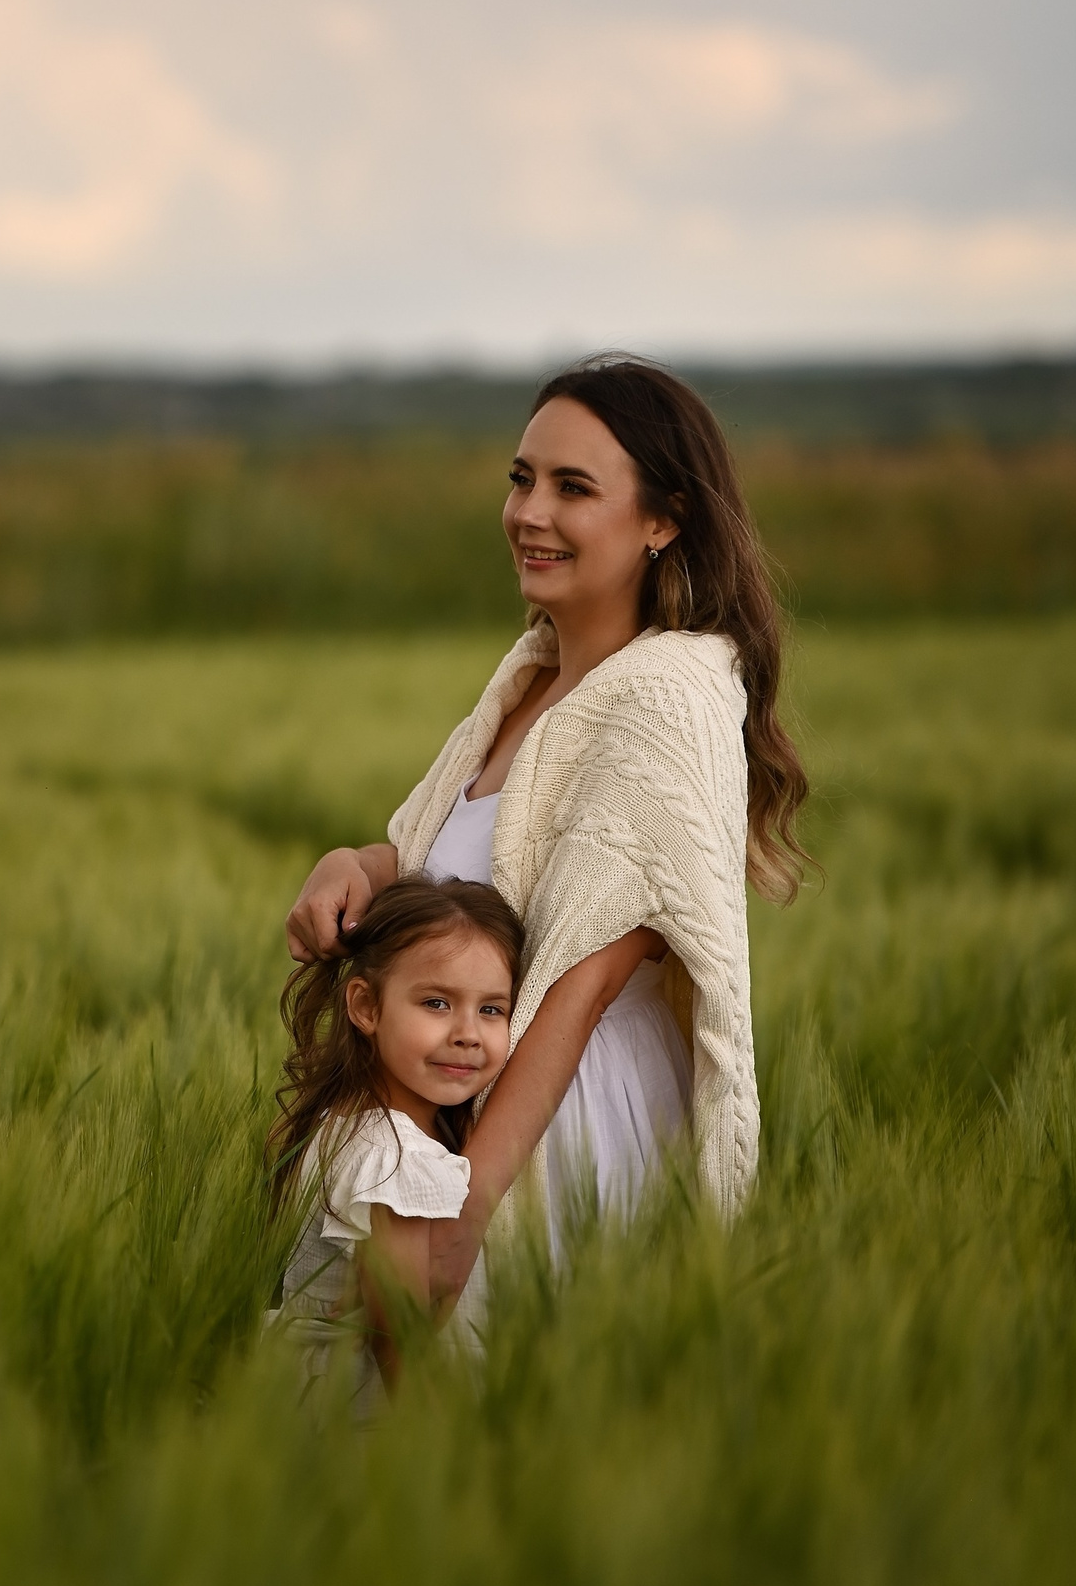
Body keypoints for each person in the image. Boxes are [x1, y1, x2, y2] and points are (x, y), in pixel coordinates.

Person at [283, 355, 810, 1306]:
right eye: (522, 478)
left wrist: (468, 1203)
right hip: (472, 1101)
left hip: (563, 1124)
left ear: (663, 519)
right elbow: (431, 865)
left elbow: (580, 983)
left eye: (574, 487)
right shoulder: (530, 677)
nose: (531, 512)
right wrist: (350, 863)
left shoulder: (667, 697)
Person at [269, 876, 526, 1409]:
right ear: (365, 1006)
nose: (467, 1033)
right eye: (436, 1003)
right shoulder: (396, 1158)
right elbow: (402, 1347)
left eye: (491, 1009)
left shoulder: (347, 1121)